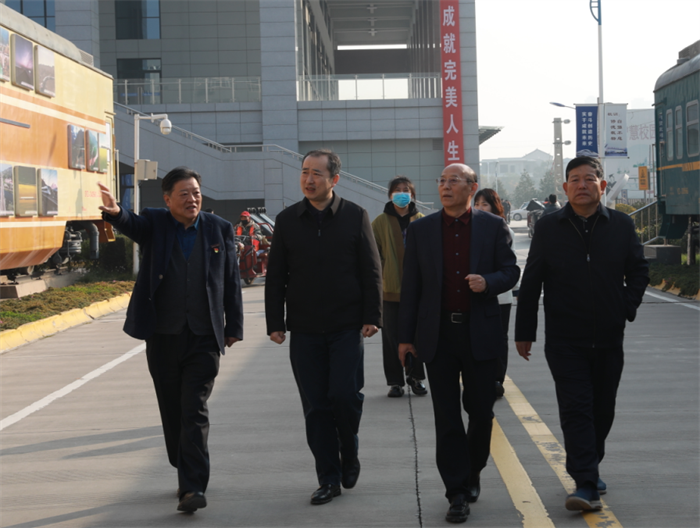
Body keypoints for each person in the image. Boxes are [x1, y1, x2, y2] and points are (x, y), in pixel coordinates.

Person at [97, 167, 243, 513]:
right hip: (163, 336)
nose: (192, 199)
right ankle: (184, 462)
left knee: (194, 408)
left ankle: (193, 486)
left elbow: (231, 279)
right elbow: (132, 224)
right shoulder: (156, 223)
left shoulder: (219, 229)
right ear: (167, 199)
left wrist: (233, 325)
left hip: (204, 336)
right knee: (172, 408)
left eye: (196, 193)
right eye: (184, 194)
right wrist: (115, 212)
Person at [515, 156, 649, 512]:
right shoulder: (549, 227)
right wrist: (524, 331)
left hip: (608, 338)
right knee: (576, 409)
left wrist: (625, 307)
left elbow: (639, 271)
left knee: (602, 410)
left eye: (590, 179)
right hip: (564, 340)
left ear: (602, 185)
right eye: (574, 179)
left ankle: (589, 464)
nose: (582, 185)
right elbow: (532, 280)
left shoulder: (621, 225)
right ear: (565, 188)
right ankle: (586, 482)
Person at [398, 164, 520, 523]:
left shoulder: (493, 226)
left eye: (454, 181)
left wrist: (488, 282)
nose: (446, 186)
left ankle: (473, 470)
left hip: (479, 333)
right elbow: (411, 287)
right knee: (447, 416)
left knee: (481, 412)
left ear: (472, 186)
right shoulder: (421, 230)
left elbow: (511, 271)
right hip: (438, 336)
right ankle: (456, 491)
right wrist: (405, 338)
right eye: (442, 181)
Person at [265, 149, 383, 506]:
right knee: (316, 406)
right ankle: (328, 478)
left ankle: (349, 448)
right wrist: (275, 322)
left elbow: (371, 270)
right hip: (304, 329)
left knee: (344, 396)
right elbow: (276, 276)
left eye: (317, 173)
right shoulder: (287, 220)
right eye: (305, 172)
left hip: (346, 325)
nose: (309, 179)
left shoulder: (355, 216)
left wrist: (372, 315)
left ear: (334, 179)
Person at [371, 176, 427, 398]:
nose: (402, 193)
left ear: (412, 195)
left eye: (406, 190)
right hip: (389, 291)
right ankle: (395, 382)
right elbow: (373, 256)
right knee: (391, 338)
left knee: (418, 336)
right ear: (390, 194)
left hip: (417, 291)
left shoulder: (422, 220)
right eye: (397, 190)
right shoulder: (379, 222)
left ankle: (416, 377)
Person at [473, 188, 515, 399]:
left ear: (495, 206)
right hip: (478, 296)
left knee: (499, 338)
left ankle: (498, 378)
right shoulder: (470, 230)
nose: (480, 208)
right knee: (481, 338)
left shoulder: (503, 229)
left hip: (500, 297)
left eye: (485, 204)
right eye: (477, 204)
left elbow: (509, 267)